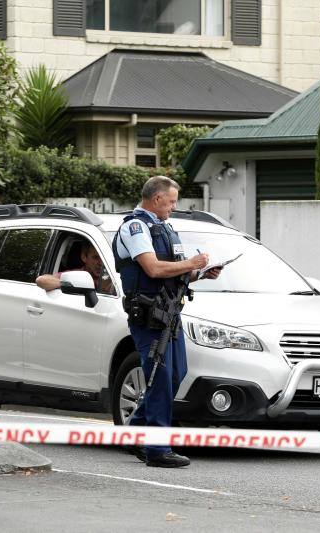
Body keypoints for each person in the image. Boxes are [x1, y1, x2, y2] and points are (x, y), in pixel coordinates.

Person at [113, 175, 220, 468]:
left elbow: (175, 269)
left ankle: (136, 432)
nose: (174, 207)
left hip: (170, 312)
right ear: (157, 198)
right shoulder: (136, 228)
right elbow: (154, 268)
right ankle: (158, 449)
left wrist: (201, 273)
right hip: (148, 315)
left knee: (175, 374)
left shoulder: (165, 228)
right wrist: (192, 264)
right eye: (171, 201)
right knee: (159, 377)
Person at [36, 241, 114, 295]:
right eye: (96, 257)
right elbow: (41, 280)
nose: (101, 263)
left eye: (104, 259)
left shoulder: (114, 276)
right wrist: (70, 284)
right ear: (84, 257)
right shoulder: (75, 275)